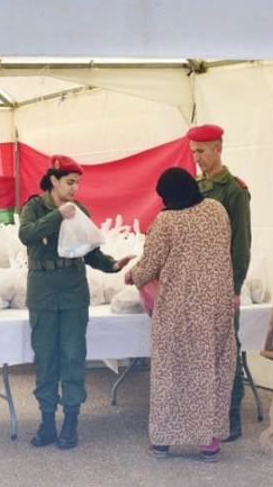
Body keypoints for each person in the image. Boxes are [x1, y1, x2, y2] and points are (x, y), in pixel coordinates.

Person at [18, 155, 134, 450]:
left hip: (72, 291)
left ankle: (70, 423)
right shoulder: (34, 206)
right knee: (45, 357)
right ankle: (46, 423)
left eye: (78, 183)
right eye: (70, 182)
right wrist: (59, 214)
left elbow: (90, 251)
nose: (75, 189)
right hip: (43, 291)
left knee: (72, 356)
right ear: (54, 180)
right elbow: (27, 234)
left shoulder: (80, 210)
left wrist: (111, 265)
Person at [126, 167, 236, 462]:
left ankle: (163, 440)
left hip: (180, 307)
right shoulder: (216, 210)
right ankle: (209, 442)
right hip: (217, 304)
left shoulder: (166, 221)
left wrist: (132, 275)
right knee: (210, 370)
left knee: (171, 370)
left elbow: (149, 266)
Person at [189, 123, 251, 442]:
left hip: (223, 284)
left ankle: (232, 417)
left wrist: (236, 287)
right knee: (203, 350)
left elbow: (241, 243)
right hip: (198, 283)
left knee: (227, 351)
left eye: (201, 151)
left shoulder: (234, 191)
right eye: (194, 152)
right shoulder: (195, 187)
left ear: (218, 149)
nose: (197, 157)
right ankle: (206, 414)